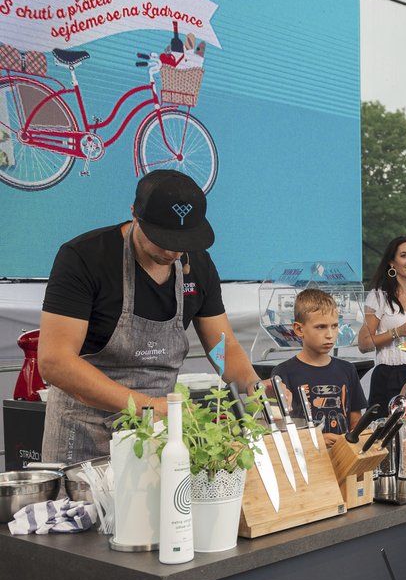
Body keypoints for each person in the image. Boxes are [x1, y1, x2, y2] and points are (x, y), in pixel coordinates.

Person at [38, 170, 260, 463]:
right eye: (162, 238)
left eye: (183, 240)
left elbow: (222, 348)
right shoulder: (84, 258)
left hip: (160, 438)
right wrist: (146, 406)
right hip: (84, 434)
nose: (172, 251)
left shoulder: (200, 266)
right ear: (134, 214)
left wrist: (253, 386)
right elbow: (55, 362)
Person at [271, 289, 367, 449]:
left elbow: (355, 421)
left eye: (335, 326)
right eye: (321, 327)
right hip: (307, 462)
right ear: (299, 329)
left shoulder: (348, 369)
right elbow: (280, 429)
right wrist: (315, 440)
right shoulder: (282, 373)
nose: (330, 334)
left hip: (343, 460)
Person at [358, 236, 406, 414]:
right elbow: (364, 344)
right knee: (386, 431)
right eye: (404, 255)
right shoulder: (379, 296)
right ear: (392, 262)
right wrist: (396, 332)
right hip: (389, 375)